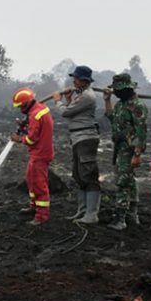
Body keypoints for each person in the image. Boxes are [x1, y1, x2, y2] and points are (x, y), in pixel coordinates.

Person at [52, 65, 101, 224]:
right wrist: (67, 99)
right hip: (78, 138)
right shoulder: (81, 95)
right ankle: (82, 211)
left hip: (85, 138)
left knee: (88, 175)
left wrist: (58, 101)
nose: (74, 81)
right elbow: (73, 110)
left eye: (76, 78)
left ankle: (91, 214)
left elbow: (66, 112)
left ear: (84, 81)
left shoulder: (87, 96)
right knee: (79, 175)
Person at [103, 72, 148, 230]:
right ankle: (132, 215)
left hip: (129, 149)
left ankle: (120, 218)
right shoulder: (120, 104)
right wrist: (107, 101)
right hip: (120, 148)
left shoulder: (137, 106)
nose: (116, 92)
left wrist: (137, 154)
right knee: (129, 181)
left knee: (123, 182)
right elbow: (112, 119)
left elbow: (141, 133)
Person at [10, 87, 54, 226]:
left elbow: (32, 139)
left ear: (27, 103)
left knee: (39, 184)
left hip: (40, 154)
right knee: (31, 180)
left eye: (21, 106)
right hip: (40, 152)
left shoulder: (35, 115)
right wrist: (25, 126)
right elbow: (38, 129)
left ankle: (41, 216)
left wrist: (19, 139)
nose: (21, 109)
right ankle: (34, 206)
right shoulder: (40, 109)